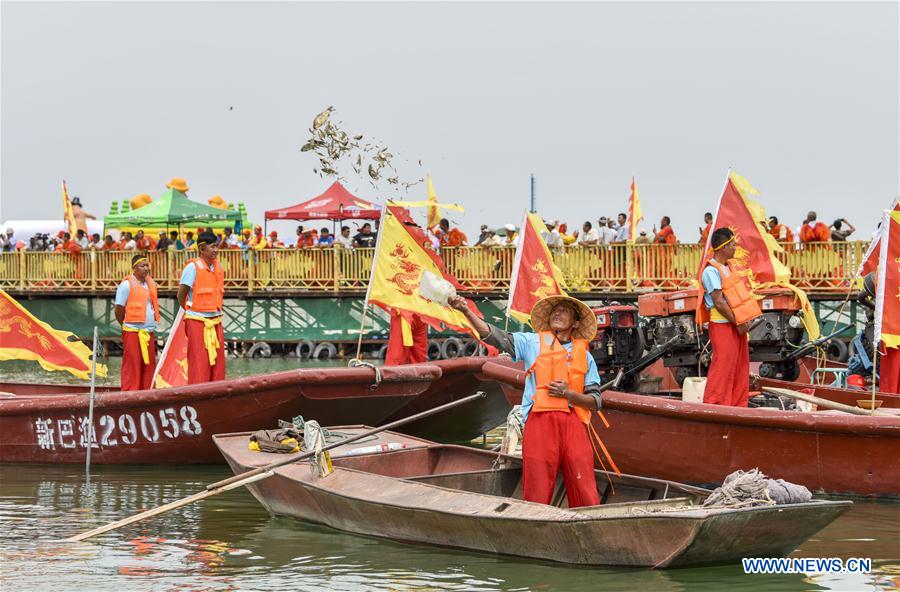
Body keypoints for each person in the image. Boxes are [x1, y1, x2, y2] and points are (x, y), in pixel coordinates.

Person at [449, 294, 603, 507]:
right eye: (554, 310)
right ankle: (535, 526)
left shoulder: (585, 357)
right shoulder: (531, 342)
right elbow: (493, 336)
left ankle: (589, 524)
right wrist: (466, 311)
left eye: (564, 311)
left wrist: (569, 395)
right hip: (539, 422)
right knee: (537, 487)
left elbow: (595, 401)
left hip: (573, 423)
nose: (557, 313)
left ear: (576, 323)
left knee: (583, 482)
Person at [698, 228, 762, 407]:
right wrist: (739, 321)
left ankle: (738, 404)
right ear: (722, 247)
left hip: (737, 324)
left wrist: (742, 321)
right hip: (723, 325)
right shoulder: (711, 272)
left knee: (740, 366)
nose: (735, 247)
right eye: (732, 244)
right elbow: (719, 302)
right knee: (723, 365)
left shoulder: (729, 267)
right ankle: (715, 404)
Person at [177, 232, 226, 384]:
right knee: (199, 362)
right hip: (197, 321)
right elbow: (181, 294)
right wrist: (190, 311)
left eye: (217, 246)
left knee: (218, 363)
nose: (216, 250)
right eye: (213, 246)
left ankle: (216, 394)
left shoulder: (218, 267)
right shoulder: (193, 267)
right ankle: (197, 393)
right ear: (202, 248)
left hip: (215, 320)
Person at [115, 254, 159, 391]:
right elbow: (118, 309)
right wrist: (125, 324)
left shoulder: (150, 283)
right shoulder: (126, 285)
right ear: (134, 268)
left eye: (147, 265)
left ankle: (147, 391)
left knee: (149, 364)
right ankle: (130, 391)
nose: (146, 269)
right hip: (133, 330)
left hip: (148, 332)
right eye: (142, 266)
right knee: (132, 364)